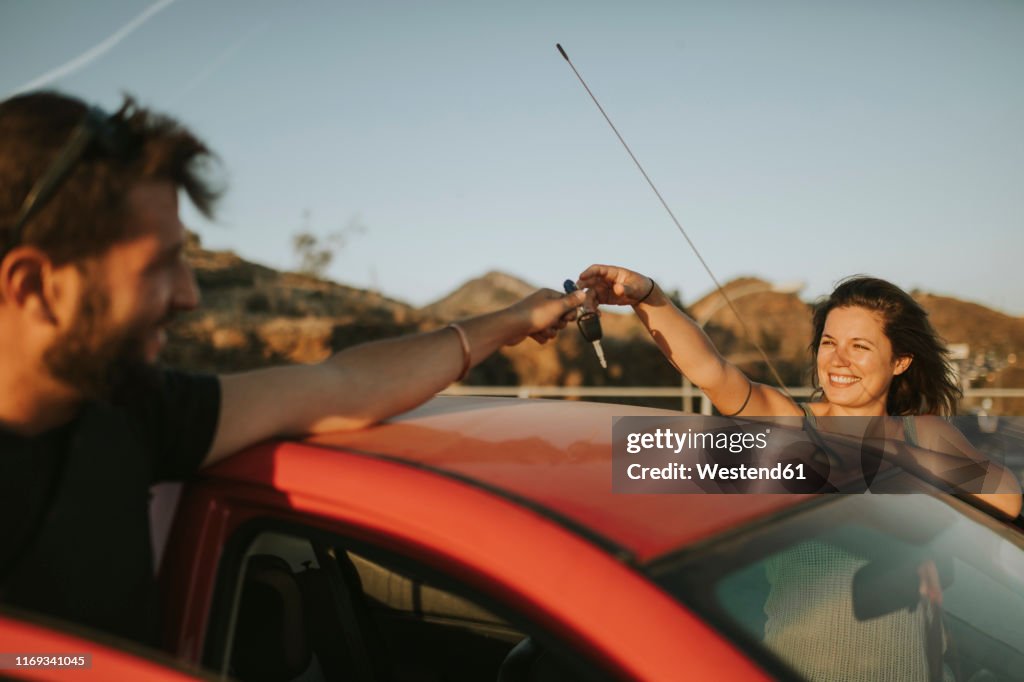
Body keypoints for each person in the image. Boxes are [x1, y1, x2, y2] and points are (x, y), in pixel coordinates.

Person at [0, 91, 585, 646]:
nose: (189, 297)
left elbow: (344, 385)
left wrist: (515, 319)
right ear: (33, 287)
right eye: (160, 265)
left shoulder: (132, 411)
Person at [578, 264, 1021, 681]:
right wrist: (649, 297)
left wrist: (898, 457)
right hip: (802, 668)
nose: (838, 360)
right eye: (829, 342)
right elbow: (711, 371)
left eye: (860, 346)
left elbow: (1007, 497)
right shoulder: (793, 424)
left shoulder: (920, 432)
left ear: (900, 361)